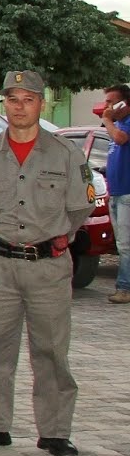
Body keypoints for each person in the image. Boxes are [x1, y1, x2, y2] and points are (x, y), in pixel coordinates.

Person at [0, 70, 94, 456]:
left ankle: (54, 431)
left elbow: (79, 207)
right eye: (14, 100)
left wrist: (48, 238)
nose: (20, 107)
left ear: (40, 103)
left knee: (51, 351)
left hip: (48, 266)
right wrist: (4, 237)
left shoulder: (65, 154)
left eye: (29, 100)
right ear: (5, 103)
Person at [101, 83, 130, 304]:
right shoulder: (117, 125)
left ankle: (124, 287)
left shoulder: (124, 125)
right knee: (122, 243)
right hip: (117, 192)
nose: (107, 106)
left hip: (128, 194)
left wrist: (108, 120)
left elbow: (121, 139)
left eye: (111, 101)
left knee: (125, 245)